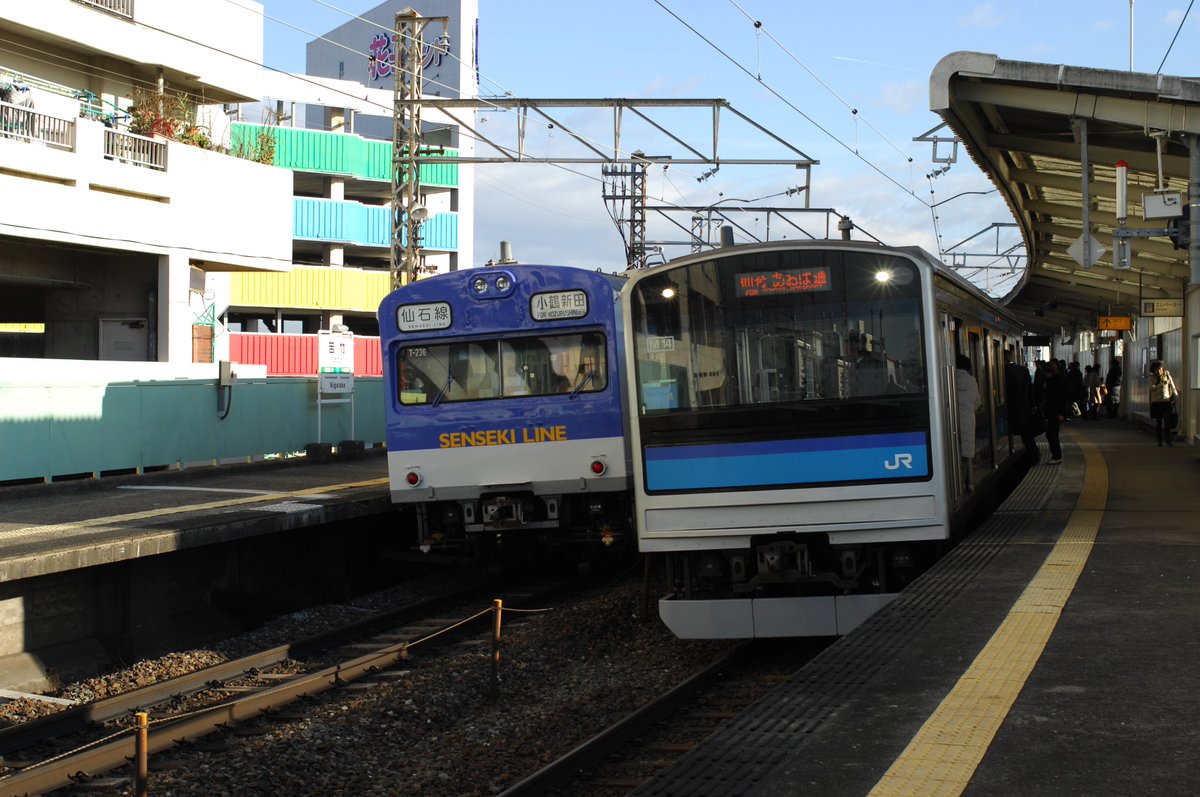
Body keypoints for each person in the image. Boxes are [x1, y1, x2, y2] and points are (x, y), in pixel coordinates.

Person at [1003, 350, 1038, 459]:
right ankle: (1034, 455)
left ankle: (1030, 454)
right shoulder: (1023, 370)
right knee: (1026, 434)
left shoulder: (1001, 371)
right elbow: (1030, 390)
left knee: (1013, 431)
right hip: (1023, 407)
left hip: (1009, 409)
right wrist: (1033, 405)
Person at [955, 354, 981, 491]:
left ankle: (955, 483)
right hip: (967, 420)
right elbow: (977, 402)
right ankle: (968, 483)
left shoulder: (947, 379)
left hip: (951, 421)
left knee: (953, 452)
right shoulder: (971, 381)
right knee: (966, 453)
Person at [1041, 358, 1069, 464]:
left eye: (1046, 372)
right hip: (1052, 412)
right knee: (1051, 434)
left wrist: (1061, 413)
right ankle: (1056, 455)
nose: (1045, 375)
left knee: (1052, 434)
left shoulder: (1058, 381)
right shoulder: (1051, 381)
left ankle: (1057, 456)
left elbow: (1062, 398)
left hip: (1056, 412)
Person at [1148, 360, 1178, 446]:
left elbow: (1172, 386)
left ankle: (1168, 440)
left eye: (1160, 369)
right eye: (1157, 369)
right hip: (1156, 402)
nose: (1159, 371)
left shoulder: (1167, 376)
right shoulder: (1152, 378)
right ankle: (1160, 441)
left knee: (1167, 421)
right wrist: (1162, 384)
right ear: (1153, 370)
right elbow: (1152, 388)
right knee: (1159, 422)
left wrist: (1176, 397)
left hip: (1166, 401)